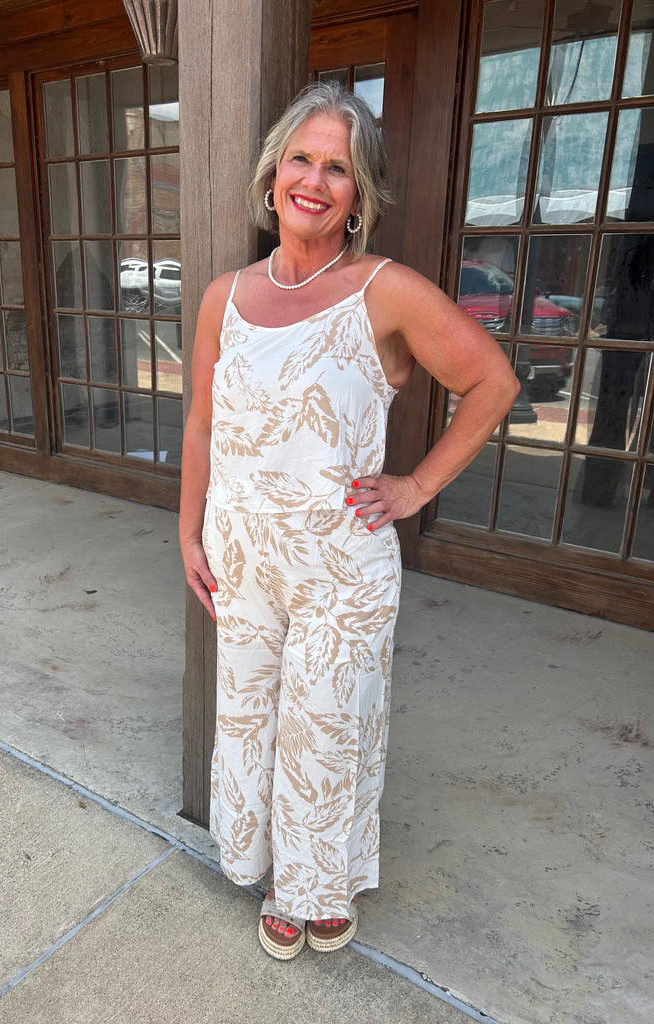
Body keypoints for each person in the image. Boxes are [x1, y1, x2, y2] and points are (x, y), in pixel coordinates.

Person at [179, 82, 519, 961]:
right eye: (301, 159)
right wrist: (189, 531)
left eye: (338, 168)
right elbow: (203, 422)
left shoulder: (385, 291)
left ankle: (313, 887)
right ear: (272, 175)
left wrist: (416, 487)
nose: (314, 181)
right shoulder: (224, 296)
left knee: (325, 731)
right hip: (243, 560)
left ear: (359, 195)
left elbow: (493, 382)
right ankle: (261, 863)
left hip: (341, 570)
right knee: (249, 718)